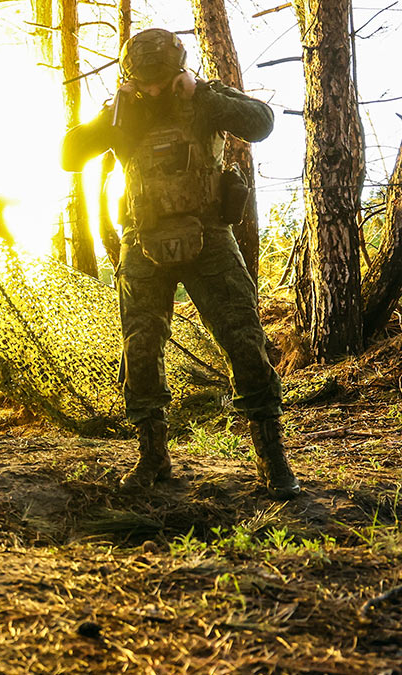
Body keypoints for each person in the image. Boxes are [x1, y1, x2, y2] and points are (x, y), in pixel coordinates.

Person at [61, 28, 300, 500]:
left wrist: (203, 93)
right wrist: (114, 112)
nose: (154, 90)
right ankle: (152, 455)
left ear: (177, 71)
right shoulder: (123, 110)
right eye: (144, 83)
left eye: (161, 80)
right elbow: (70, 155)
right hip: (142, 239)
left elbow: (262, 122)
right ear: (132, 78)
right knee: (140, 348)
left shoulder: (203, 97)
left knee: (244, 339)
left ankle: (271, 455)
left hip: (209, 235)